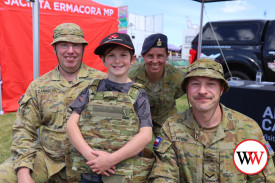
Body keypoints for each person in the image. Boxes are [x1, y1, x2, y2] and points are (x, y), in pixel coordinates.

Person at [0, 23, 107, 182]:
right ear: (54, 49)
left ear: (83, 48)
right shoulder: (39, 86)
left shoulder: (102, 82)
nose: (70, 51)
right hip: (48, 161)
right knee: (5, 176)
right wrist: (23, 172)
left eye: (76, 45)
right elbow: (24, 130)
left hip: (89, 162)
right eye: (64, 45)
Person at [149, 58, 275, 182]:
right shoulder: (172, 127)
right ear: (187, 89)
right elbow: (163, 175)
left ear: (221, 90)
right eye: (195, 84)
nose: (202, 91)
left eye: (211, 84)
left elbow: (262, 179)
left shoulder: (248, 130)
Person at [66, 32, 155, 183]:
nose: (117, 60)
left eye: (123, 55)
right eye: (111, 55)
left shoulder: (138, 94)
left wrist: (110, 160)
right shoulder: (91, 89)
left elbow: (146, 135)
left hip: (121, 174)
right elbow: (71, 124)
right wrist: (90, 155)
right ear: (103, 60)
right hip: (90, 170)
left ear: (132, 59)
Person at [128, 33, 185, 136]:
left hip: (165, 115)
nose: (155, 61)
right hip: (137, 116)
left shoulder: (177, 77)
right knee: (128, 143)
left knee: (175, 142)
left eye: (160, 56)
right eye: (150, 56)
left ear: (167, 56)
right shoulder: (130, 77)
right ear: (143, 56)